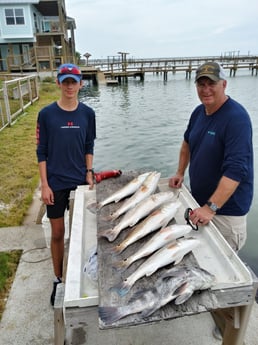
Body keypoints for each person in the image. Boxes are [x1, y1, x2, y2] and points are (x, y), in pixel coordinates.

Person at [169, 61, 253, 339]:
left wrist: (212, 206)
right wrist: (181, 172)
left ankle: (229, 330)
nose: (206, 89)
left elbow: (236, 170)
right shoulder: (199, 113)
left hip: (225, 214)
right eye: (201, 83)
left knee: (221, 281)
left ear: (224, 84)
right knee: (203, 270)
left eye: (211, 83)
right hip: (200, 207)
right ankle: (218, 319)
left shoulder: (236, 118)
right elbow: (186, 143)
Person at [36, 63, 96, 306]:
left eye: (74, 81)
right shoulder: (47, 114)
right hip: (56, 183)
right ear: (59, 83)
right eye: (66, 81)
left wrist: (90, 172)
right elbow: (41, 151)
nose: (70, 86)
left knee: (82, 232)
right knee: (58, 233)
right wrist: (44, 185)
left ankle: (80, 275)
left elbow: (88, 146)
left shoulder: (88, 114)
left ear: (81, 84)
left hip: (80, 181)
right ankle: (58, 278)